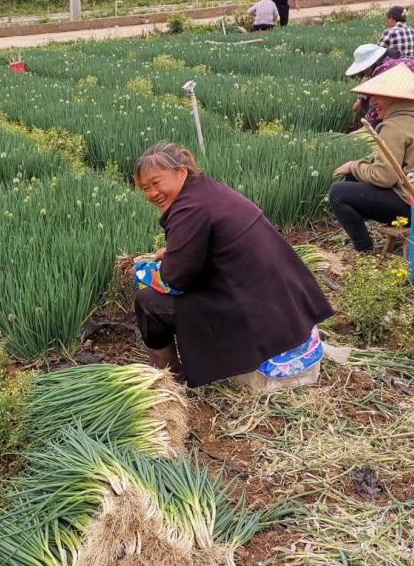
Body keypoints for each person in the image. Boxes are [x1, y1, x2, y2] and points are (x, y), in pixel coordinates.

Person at [132, 141, 333, 387]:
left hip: (254, 311)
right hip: (279, 301)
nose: (151, 193)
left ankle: (169, 379)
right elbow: (211, 247)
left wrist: (160, 267)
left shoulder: (189, 208)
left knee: (148, 303)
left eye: (156, 183)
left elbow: (176, 278)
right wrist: (177, 253)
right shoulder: (205, 189)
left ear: (181, 173)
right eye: (144, 188)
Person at [329, 63, 414, 252]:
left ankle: (363, 248)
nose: (373, 102)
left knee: (338, 193)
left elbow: (385, 177)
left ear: (396, 98)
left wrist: (354, 166)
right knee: (354, 180)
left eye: (378, 96)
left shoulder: (394, 126)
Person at [345, 43, 414, 129]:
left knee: (387, 105)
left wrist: (365, 127)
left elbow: (376, 106)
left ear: (369, 65)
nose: (363, 72)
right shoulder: (390, 64)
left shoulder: (384, 71)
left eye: (363, 69)